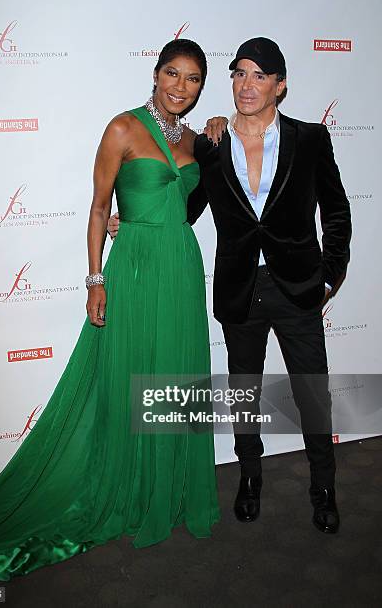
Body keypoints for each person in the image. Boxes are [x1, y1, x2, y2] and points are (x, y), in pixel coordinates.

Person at [0, 39, 220, 582]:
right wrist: (95, 278)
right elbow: (98, 208)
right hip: (134, 269)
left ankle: (164, 489)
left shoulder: (198, 140)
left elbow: (197, 202)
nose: (179, 87)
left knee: (175, 375)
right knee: (128, 378)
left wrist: (219, 131)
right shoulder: (122, 127)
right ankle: (127, 486)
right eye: (172, 74)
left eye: (191, 79)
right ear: (156, 72)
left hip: (181, 268)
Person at [110, 37, 352, 534]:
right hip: (241, 289)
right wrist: (135, 220)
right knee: (245, 393)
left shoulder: (310, 139)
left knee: (312, 394)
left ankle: (323, 488)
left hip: (297, 288)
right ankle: (249, 479)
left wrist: (331, 274)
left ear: (279, 86)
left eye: (260, 75)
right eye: (240, 73)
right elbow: (188, 205)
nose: (247, 84)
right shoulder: (210, 143)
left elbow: (337, 210)